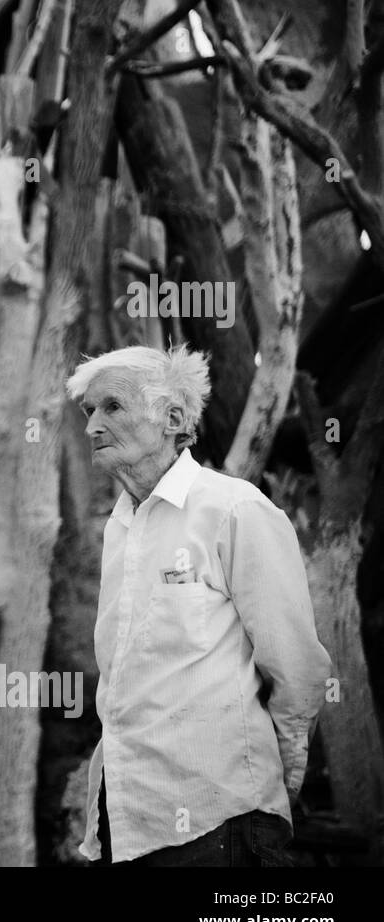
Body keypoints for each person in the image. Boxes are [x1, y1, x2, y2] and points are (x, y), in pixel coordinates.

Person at [65, 345, 332, 866]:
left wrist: (276, 783)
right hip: (126, 822)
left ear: (173, 418)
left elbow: (296, 670)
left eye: (111, 407)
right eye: (88, 411)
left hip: (220, 822)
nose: (93, 425)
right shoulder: (120, 528)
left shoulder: (235, 509)